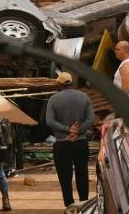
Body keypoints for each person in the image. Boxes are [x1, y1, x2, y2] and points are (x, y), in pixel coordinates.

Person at [44, 72, 95, 207]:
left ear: (59, 84)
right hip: (80, 142)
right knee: (82, 173)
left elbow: (49, 121)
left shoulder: (53, 99)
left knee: (65, 177)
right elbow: (91, 119)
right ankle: (84, 204)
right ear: (72, 82)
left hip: (62, 143)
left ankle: (69, 206)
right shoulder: (84, 97)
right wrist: (78, 131)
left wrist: (68, 129)